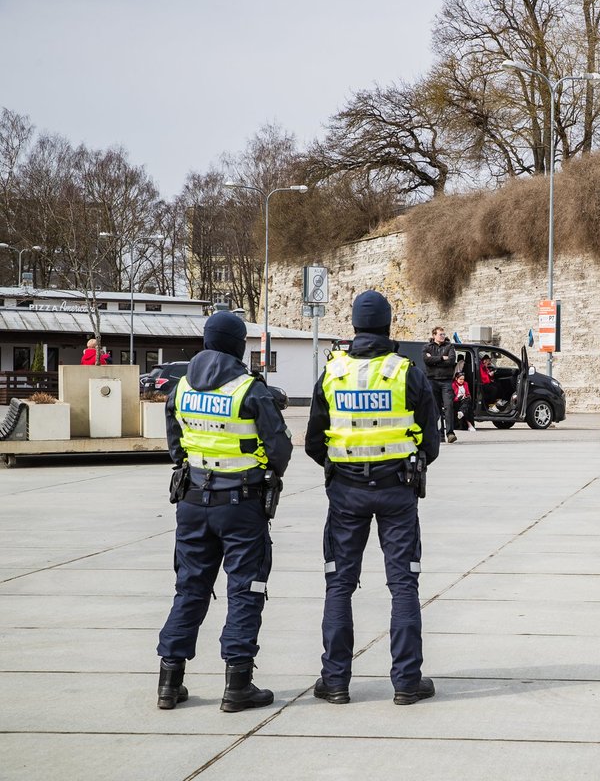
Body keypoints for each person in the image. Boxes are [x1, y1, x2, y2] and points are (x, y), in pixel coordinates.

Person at [305, 291, 442, 706]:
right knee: (403, 584)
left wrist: (343, 467)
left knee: (339, 585)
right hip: (397, 489)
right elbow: (430, 441)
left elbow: (314, 441)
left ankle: (335, 682)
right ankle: (406, 682)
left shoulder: (332, 373)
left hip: (345, 492)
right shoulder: (406, 372)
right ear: (387, 326)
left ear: (353, 326)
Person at [155, 310, 293, 712]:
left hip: (192, 500)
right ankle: (238, 684)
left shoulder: (180, 387)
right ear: (237, 345)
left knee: (190, 587)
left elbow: (175, 446)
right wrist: (263, 471)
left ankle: (169, 681)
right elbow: (280, 449)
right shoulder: (249, 389)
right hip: (242, 503)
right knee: (245, 588)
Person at [423, 326, 457, 443]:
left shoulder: (449, 346)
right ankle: (440, 434)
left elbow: (451, 361)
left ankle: (450, 433)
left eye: (443, 334)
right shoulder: (427, 347)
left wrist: (435, 360)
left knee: (449, 406)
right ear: (434, 335)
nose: (442, 336)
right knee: (436, 409)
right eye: (440, 334)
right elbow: (427, 361)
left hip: (446, 381)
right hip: (432, 380)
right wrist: (442, 358)